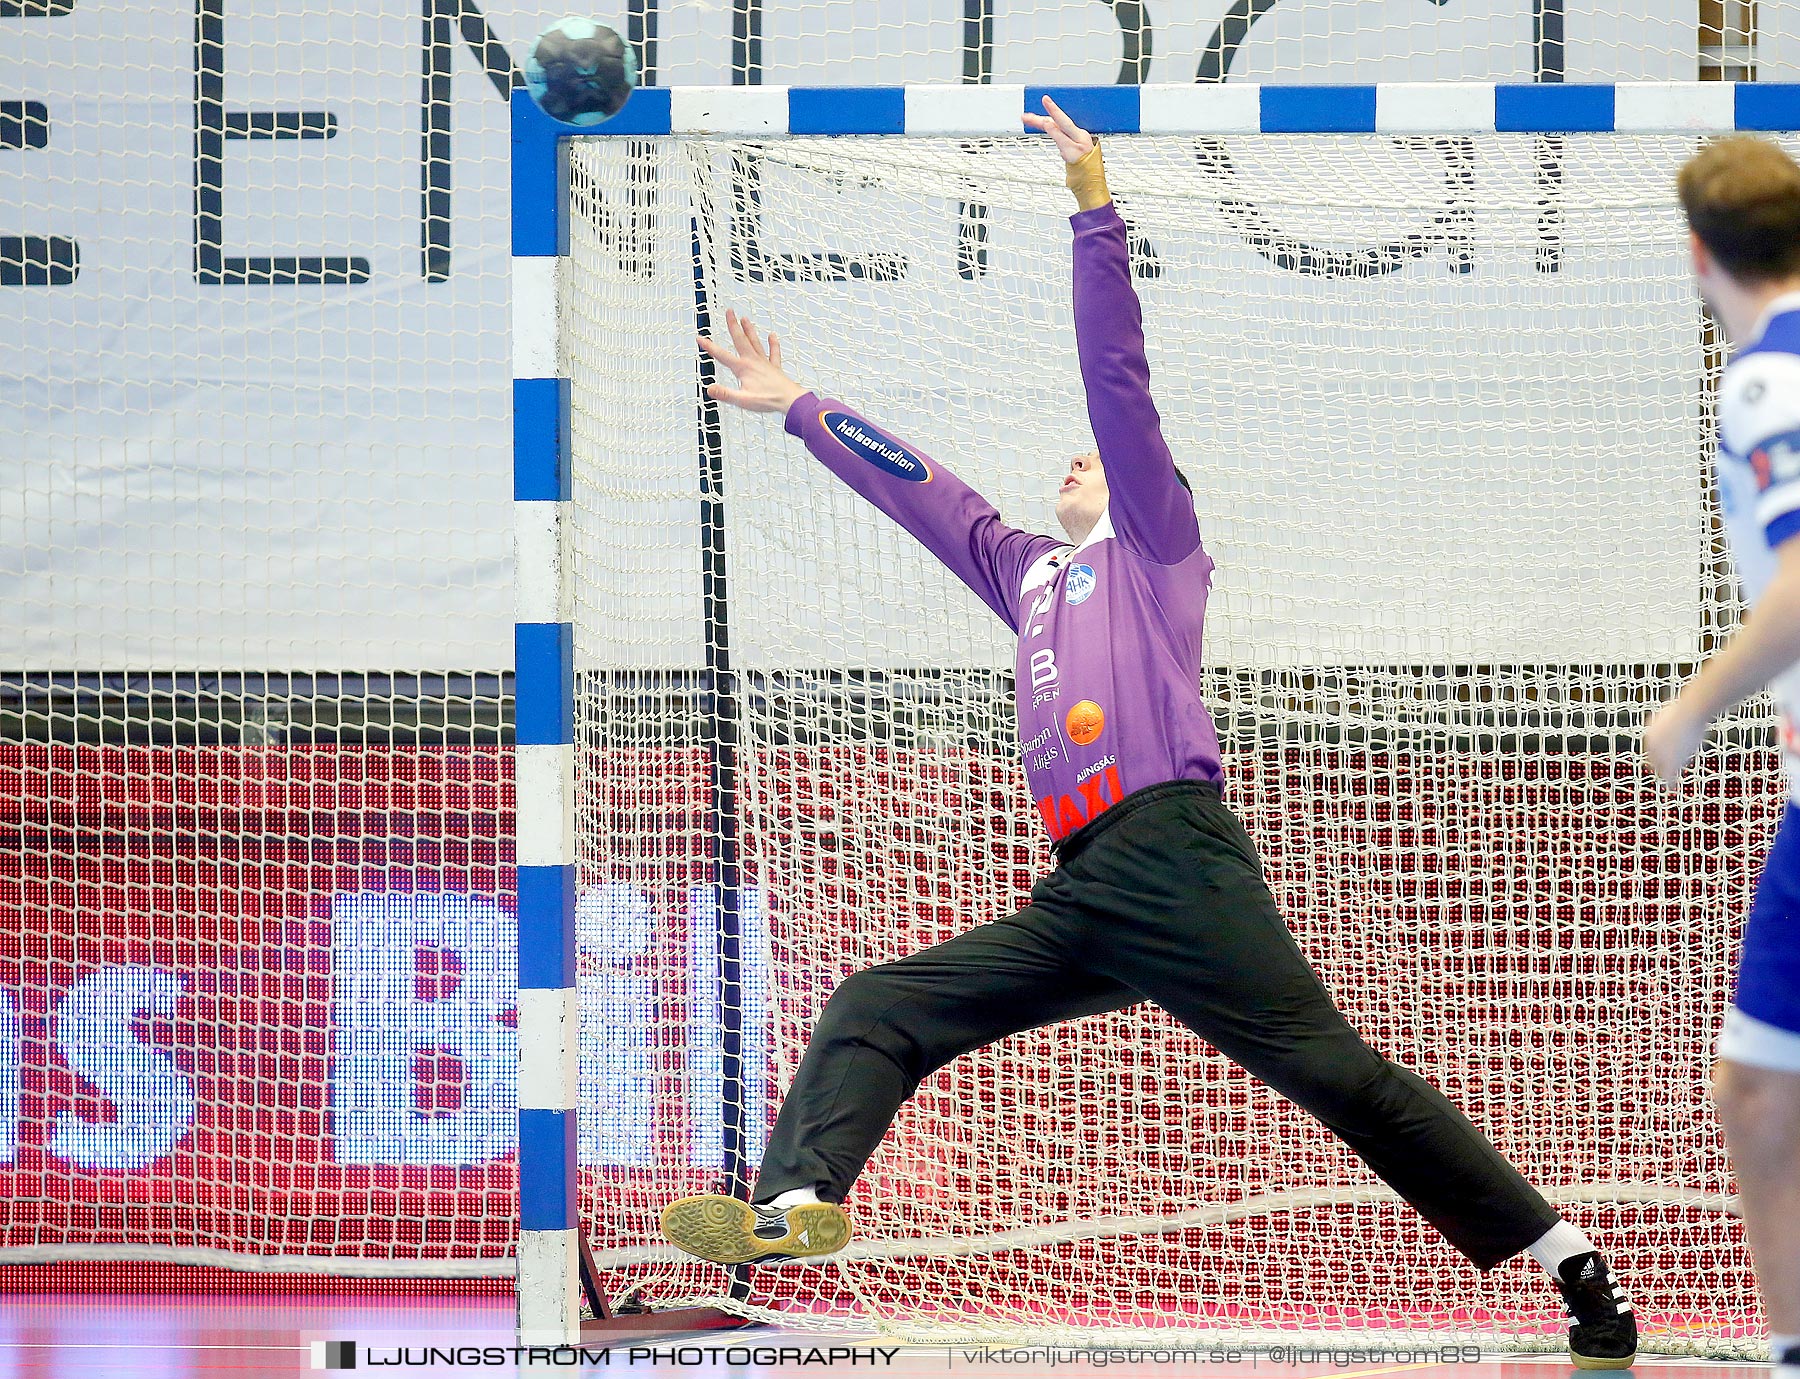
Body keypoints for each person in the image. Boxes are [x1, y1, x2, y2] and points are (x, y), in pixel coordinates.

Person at [661, 97, 1635, 1367]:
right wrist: (799, 401)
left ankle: (1573, 1264)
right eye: (1066, 463)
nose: (1076, 465)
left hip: (1174, 857)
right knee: (880, 1004)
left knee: (1341, 1082)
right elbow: (927, 494)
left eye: (1093, 462)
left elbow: (1114, 375)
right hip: (1087, 888)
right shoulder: (1028, 575)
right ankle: (796, 1205)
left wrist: (1092, 208)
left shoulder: (1156, 546)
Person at [1646, 134, 1800, 1379]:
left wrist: (1691, 705)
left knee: (1754, 1090)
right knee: (1754, 1091)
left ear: (1698, 255)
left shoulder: (1764, 383)